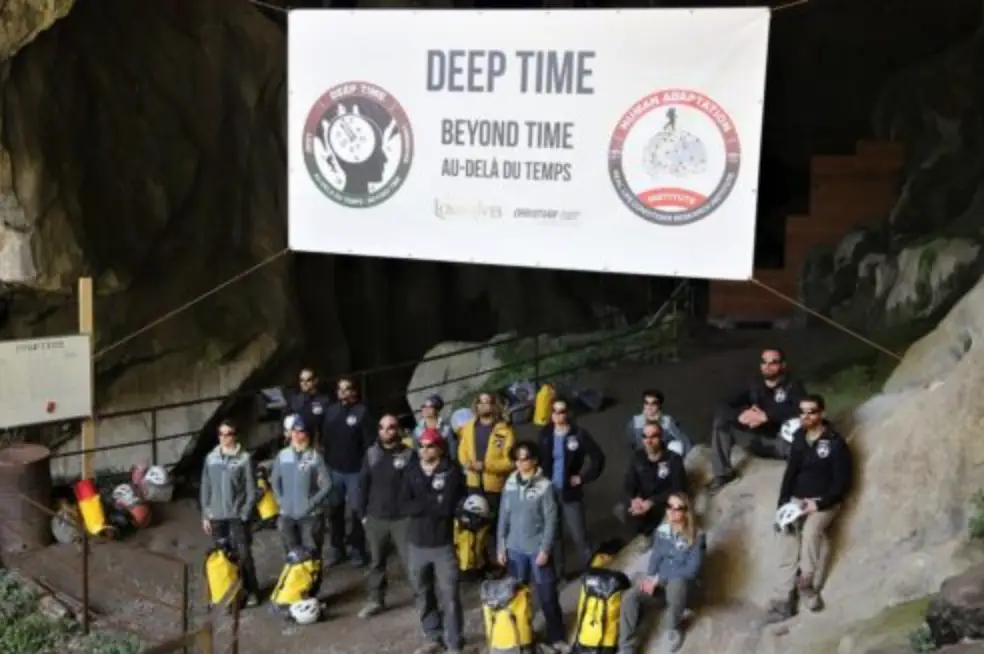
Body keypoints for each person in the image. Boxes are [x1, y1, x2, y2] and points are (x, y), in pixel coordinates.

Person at [767, 394, 852, 623]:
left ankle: (807, 582)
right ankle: (784, 597)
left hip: (823, 501)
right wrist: (783, 504)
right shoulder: (798, 438)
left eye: (811, 412)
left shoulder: (835, 443)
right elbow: (790, 472)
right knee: (786, 535)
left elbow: (842, 483)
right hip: (797, 498)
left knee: (811, 532)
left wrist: (819, 504)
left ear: (821, 413)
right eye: (802, 412)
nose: (806, 416)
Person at [497, 441, 567, 652]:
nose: (520, 463)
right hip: (515, 549)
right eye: (517, 459)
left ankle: (556, 636)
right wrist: (501, 546)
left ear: (534, 460)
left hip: (537, 549)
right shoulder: (510, 483)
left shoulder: (545, 486)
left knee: (547, 595)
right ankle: (523, 635)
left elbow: (551, 520)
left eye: (525, 458)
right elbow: (503, 516)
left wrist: (545, 549)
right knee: (517, 595)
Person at [707, 348, 807, 494]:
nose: (768, 366)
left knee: (797, 425)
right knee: (721, 421)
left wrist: (767, 416)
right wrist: (740, 415)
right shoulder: (754, 384)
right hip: (756, 440)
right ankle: (723, 474)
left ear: (782, 365)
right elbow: (722, 403)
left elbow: (801, 409)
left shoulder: (793, 385)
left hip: (780, 444)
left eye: (773, 362)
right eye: (764, 362)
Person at [403, 429, 466, 654]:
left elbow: (450, 505)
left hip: (443, 544)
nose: (425, 450)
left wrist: (426, 504)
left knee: (450, 595)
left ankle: (454, 641)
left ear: (440, 447)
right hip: (417, 543)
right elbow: (405, 504)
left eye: (430, 446)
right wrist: (434, 503)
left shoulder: (452, 472)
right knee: (422, 592)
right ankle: (433, 635)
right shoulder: (411, 472)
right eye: (421, 446)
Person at [619, 492, 705, 654]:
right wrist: (650, 579)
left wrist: (660, 578)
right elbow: (655, 560)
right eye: (669, 507)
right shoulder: (662, 532)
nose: (672, 511)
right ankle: (626, 647)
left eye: (677, 508)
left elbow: (691, 570)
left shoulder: (697, 536)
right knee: (630, 596)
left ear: (686, 512)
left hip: (685, 592)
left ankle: (672, 629)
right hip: (663, 588)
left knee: (677, 581)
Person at [537, 397, 606, 578]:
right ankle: (559, 576)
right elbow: (539, 459)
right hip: (549, 491)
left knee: (579, 534)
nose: (559, 416)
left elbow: (598, 458)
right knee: (554, 536)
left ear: (567, 413)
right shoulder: (545, 434)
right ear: (551, 414)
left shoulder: (579, 434)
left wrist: (583, 478)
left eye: (562, 411)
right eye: (555, 412)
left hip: (570, 491)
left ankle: (591, 572)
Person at [357, 414, 413, 619]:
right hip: (376, 517)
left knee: (410, 561)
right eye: (382, 428)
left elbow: (416, 486)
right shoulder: (371, 454)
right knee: (376, 562)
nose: (387, 431)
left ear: (397, 430)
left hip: (403, 519)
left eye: (391, 427)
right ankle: (375, 600)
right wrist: (362, 514)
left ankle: (423, 598)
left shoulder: (408, 455)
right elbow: (362, 485)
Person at [200, 419, 260, 606]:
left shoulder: (244, 458)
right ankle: (225, 593)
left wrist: (244, 513)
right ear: (218, 436)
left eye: (230, 434)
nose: (226, 438)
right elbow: (206, 486)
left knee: (244, 554)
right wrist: (205, 514)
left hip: (236, 516)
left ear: (235, 435)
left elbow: (252, 489)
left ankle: (251, 591)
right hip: (217, 516)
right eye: (222, 434)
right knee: (222, 556)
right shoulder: (211, 458)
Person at [270, 419, 333, 594]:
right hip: (287, 515)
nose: (298, 436)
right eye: (295, 432)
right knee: (291, 555)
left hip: (311, 516)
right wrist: (280, 501)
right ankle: (294, 592)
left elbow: (327, 485)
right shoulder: (282, 456)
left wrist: (311, 502)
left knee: (312, 555)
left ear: (307, 435)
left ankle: (312, 593)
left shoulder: (314, 457)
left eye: (301, 432)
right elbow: (274, 481)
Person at [323, 377, 375, 567]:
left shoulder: (362, 413)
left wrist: (364, 469)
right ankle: (337, 549)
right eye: (341, 389)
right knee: (334, 511)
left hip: (355, 471)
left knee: (356, 512)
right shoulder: (331, 411)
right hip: (334, 469)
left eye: (348, 389)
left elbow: (369, 443)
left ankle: (357, 549)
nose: (344, 393)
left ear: (354, 391)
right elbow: (325, 439)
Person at [457, 392, 515, 525]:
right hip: (473, 484)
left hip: (494, 486)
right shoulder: (468, 427)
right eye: (480, 402)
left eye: (487, 402)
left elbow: (510, 462)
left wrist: (486, 466)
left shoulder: (505, 431)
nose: (483, 405)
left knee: (496, 523)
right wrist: (465, 463)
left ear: (494, 406)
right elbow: (462, 449)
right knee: (474, 523)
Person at [623, 421, 687, 538]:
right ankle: (642, 537)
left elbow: (679, 487)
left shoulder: (673, 459)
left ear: (661, 437)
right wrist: (634, 498)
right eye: (645, 437)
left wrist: (652, 502)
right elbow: (630, 481)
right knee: (626, 511)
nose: (649, 441)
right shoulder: (637, 457)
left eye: (653, 436)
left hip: (664, 503)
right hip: (644, 502)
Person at [625, 389, 694, 457]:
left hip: (662, 457)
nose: (649, 407)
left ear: (659, 406)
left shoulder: (667, 422)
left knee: (676, 445)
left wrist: (688, 461)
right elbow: (630, 444)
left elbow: (684, 440)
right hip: (644, 458)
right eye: (646, 403)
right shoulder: (635, 422)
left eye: (653, 404)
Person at [284, 368, 332, 446]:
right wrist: (286, 431)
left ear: (315, 381)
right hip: (297, 445)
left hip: (317, 445)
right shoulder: (294, 400)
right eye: (302, 380)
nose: (304, 383)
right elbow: (285, 418)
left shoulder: (324, 400)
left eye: (308, 380)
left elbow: (329, 425)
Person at [412, 395, 458, 459]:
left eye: (430, 407)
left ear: (437, 410)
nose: (425, 409)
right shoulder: (417, 431)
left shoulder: (446, 429)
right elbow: (417, 452)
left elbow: (453, 452)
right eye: (424, 406)